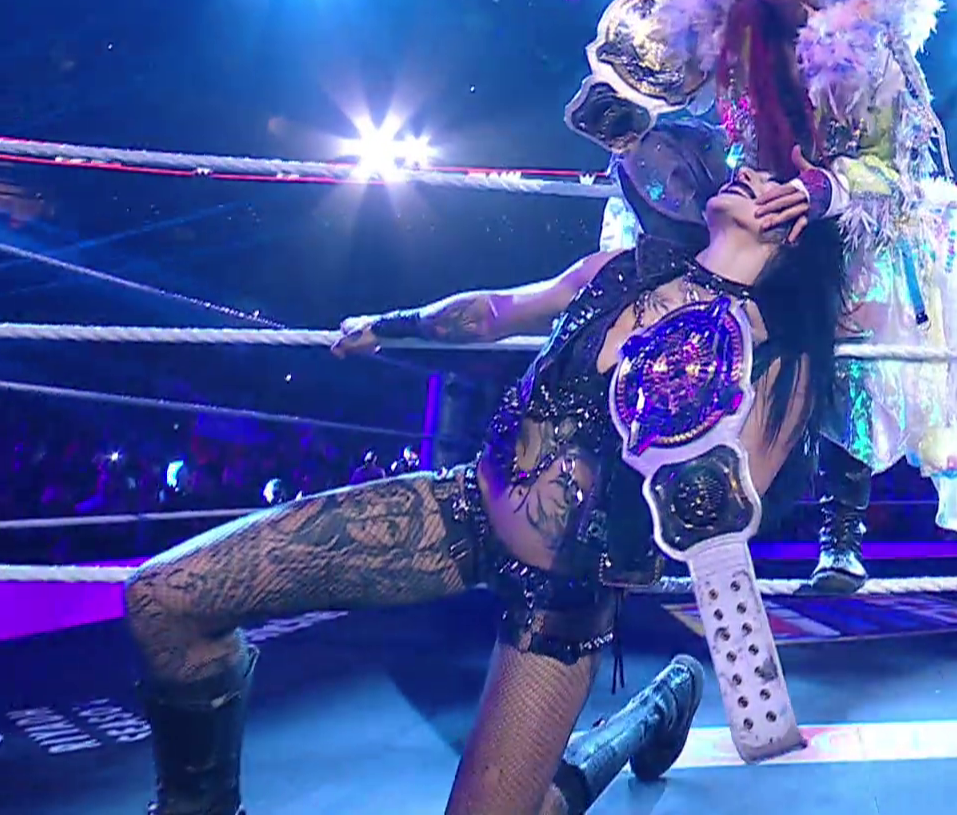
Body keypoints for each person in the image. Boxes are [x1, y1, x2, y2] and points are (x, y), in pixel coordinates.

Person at [122, 153, 844, 815]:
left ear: (797, 225)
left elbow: (724, 516)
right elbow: (497, 311)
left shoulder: (777, 354)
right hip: (463, 511)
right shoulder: (627, 267)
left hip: (563, 600)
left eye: (772, 180)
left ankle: (643, 719)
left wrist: (694, 420)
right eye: (752, 166)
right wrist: (390, 324)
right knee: (164, 599)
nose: (749, 172)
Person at [574, 0, 957, 593]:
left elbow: (897, 168)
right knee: (676, 293)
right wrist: (639, 10)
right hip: (753, 204)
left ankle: (841, 535)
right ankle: (644, 520)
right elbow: (652, 80)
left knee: (852, 338)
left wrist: (822, 190)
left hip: (850, 221)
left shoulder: (868, 40)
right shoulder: (724, 17)